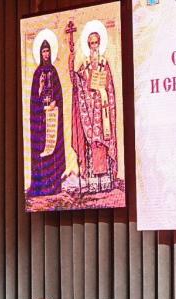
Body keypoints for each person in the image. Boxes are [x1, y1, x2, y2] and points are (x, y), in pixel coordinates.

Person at [68, 28, 119, 193]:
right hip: (90, 112)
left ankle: (105, 182)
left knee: (102, 144)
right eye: (91, 43)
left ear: (99, 44)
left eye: (96, 43)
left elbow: (110, 88)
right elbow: (77, 82)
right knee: (92, 144)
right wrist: (71, 62)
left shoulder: (104, 63)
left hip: (102, 111)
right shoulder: (85, 65)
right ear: (88, 45)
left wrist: (103, 92)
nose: (94, 46)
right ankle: (93, 183)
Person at [28, 37, 66, 197]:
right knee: (42, 149)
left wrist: (54, 103)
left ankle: (54, 185)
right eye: (43, 51)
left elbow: (58, 94)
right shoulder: (37, 73)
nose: (46, 54)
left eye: (48, 50)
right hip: (41, 120)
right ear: (40, 53)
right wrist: (41, 87)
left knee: (53, 149)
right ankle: (42, 186)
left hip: (52, 118)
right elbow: (34, 98)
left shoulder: (53, 71)